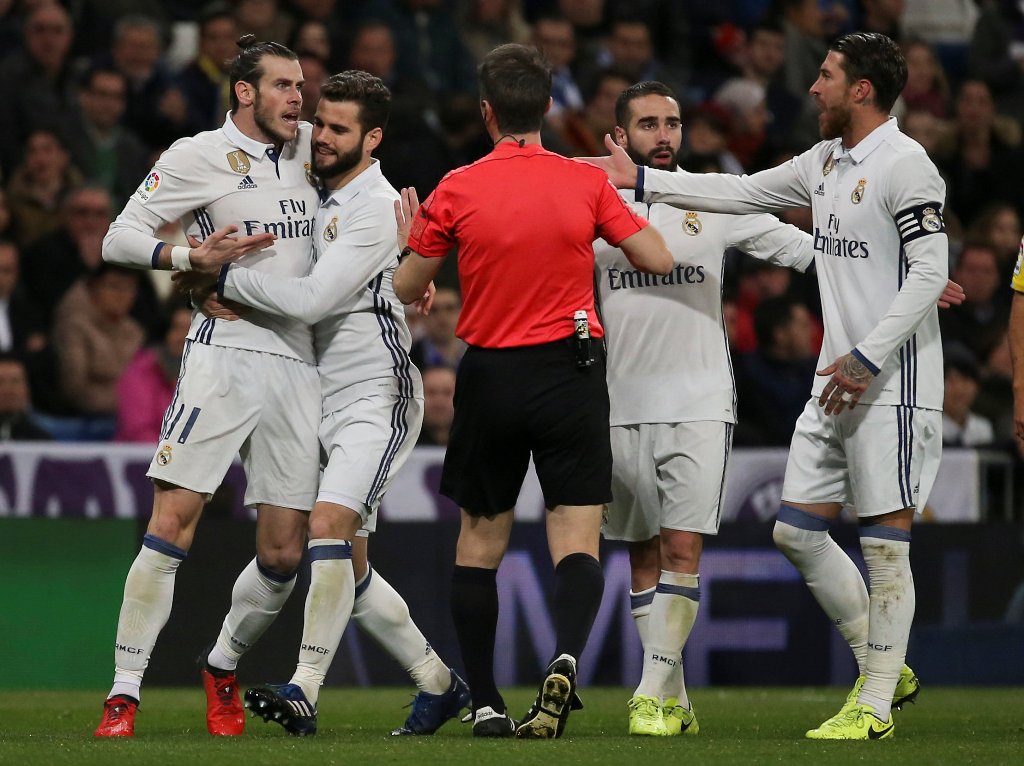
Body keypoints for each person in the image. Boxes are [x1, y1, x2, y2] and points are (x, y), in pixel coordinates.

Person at [583, 32, 946, 741]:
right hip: (822, 381)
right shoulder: (827, 162)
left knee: (883, 542)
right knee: (796, 531)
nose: (812, 87)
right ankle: (886, 660)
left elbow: (919, 269)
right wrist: (641, 183)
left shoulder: (906, 165)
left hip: (885, 380)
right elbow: (742, 191)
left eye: (826, 75)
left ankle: (873, 704)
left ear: (861, 89)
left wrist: (875, 348)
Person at [392, 43, 672, 739]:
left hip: (490, 374)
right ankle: (565, 657)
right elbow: (657, 258)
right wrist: (619, 197)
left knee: (480, 541)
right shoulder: (584, 184)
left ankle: (485, 703)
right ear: (548, 106)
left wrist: (413, 248)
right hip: (570, 371)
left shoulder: (458, 186)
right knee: (576, 537)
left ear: (487, 111)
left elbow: (405, 289)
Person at [181, 69, 470, 738]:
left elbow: (311, 300)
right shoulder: (313, 183)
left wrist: (223, 275)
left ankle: (305, 687)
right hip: (313, 394)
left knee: (328, 527)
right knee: (352, 566)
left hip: (377, 393)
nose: (323, 137)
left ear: (372, 138)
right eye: (321, 123)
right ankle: (437, 683)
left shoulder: (371, 207)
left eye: (340, 129)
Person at [93, 36, 320, 738]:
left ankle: (222, 664)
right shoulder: (197, 155)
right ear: (244, 91)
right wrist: (192, 257)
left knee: (284, 552)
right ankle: (124, 694)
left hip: (300, 364)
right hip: (225, 355)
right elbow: (117, 239)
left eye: (301, 85)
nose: (297, 97)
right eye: (283, 85)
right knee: (172, 523)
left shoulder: (317, 150)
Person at [594, 80, 815, 737]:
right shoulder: (593, 202)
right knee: (639, 556)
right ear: (621, 135)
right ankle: (673, 696)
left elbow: (796, 250)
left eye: (672, 122)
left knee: (681, 546)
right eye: (648, 124)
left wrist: (888, 273)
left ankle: (648, 693)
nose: (663, 135)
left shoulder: (709, 197)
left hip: (699, 399)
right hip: (618, 403)